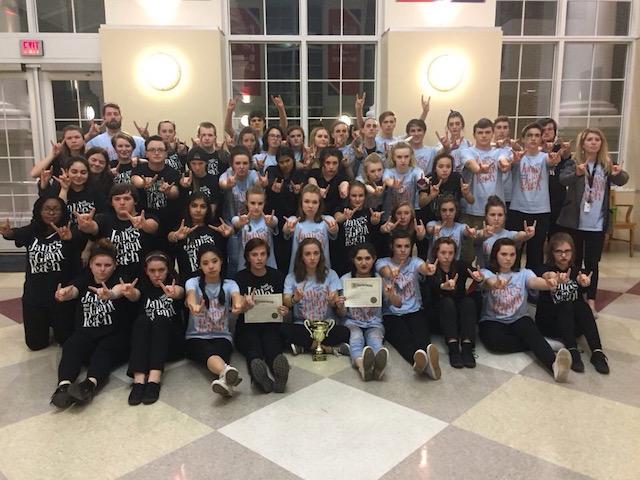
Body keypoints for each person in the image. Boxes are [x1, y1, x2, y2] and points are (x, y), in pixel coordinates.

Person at [50, 239, 140, 408]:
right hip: (86, 332)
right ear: (91, 265)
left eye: (107, 265)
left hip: (113, 334)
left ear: (114, 265)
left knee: (103, 352)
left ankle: (89, 385)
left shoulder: (121, 278)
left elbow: (122, 291)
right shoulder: (84, 278)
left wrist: (111, 294)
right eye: (98, 265)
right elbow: (73, 290)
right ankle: (63, 386)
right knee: (71, 346)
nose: (102, 269)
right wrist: (63, 294)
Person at [472, 238, 573, 382]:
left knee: (529, 330)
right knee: (494, 343)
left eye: (512, 255)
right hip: (492, 320)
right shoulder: (486, 272)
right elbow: (488, 282)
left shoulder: (524, 273)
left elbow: (535, 282)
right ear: (496, 255)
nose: (508, 258)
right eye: (504, 254)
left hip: (519, 318)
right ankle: (542, 343)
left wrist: (550, 283)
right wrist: (495, 283)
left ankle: (554, 365)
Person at [557, 127, 629, 315]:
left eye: (597, 139)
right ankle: (574, 296)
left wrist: (618, 172)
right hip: (575, 222)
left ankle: (591, 300)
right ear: (583, 143)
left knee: (592, 263)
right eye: (590, 139)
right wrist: (578, 174)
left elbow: (622, 180)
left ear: (601, 143)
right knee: (574, 260)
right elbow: (562, 180)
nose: (594, 142)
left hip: (597, 223)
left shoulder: (606, 164)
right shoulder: (574, 162)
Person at [0, 194, 79, 350]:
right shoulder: (33, 230)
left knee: (65, 340)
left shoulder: (70, 231)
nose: (51, 212)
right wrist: (7, 233)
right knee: (36, 344)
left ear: (63, 212)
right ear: (39, 211)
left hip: (61, 296)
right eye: (47, 209)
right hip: (35, 294)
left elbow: (79, 244)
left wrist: (69, 240)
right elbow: (15, 234)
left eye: (56, 209)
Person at [536, 233, 609, 374]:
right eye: (559, 251)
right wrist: (553, 278)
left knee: (582, 305)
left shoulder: (577, 271)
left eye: (567, 251)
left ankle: (597, 352)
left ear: (572, 252)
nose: (563, 255)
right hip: (551, 324)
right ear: (552, 253)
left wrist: (584, 283)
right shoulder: (544, 269)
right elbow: (545, 275)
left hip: (573, 325)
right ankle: (572, 350)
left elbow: (582, 279)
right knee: (567, 303)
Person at [376, 231, 441, 379]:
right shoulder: (382, 262)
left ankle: (426, 361)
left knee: (422, 338)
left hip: (415, 310)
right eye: (399, 246)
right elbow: (383, 270)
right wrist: (390, 273)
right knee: (403, 339)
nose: (403, 250)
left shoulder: (414, 261)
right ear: (392, 247)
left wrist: (428, 269)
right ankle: (421, 363)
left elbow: (422, 267)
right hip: (391, 313)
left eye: (407, 246)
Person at [184, 244, 244, 397]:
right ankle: (226, 372)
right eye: (205, 263)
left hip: (222, 336)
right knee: (208, 352)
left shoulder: (230, 284)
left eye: (214, 261)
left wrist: (240, 305)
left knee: (220, 351)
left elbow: (237, 298)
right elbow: (190, 296)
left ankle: (225, 379)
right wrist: (193, 306)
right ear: (200, 266)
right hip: (195, 337)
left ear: (221, 261)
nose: (210, 266)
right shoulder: (192, 282)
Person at [128, 251, 185, 405]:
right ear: (146, 271)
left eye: (161, 270)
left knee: (160, 320)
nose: (157, 275)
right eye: (152, 271)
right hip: (147, 348)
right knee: (141, 320)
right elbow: (135, 295)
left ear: (168, 270)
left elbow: (180, 292)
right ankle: (139, 380)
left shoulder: (174, 285)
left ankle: (154, 379)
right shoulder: (142, 286)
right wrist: (130, 293)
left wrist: (175, 292)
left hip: (171, 344)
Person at [235, 239, 290, 393]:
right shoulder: (239, 278)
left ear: (267, 255)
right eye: (254, 254)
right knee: (253, 348)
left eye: (262, 254)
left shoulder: (277, 276)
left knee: (272, 344)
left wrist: (285, 310)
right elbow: (236, 307)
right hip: (247, 325)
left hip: (270, 323)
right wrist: (244, 305)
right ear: (247, 257)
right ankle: (260, 377)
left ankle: (279, 372)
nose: (259, 258)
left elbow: (284, 303)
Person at [75, 183, 158, 280]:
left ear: (135, 201)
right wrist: (86, 225)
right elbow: (93, 227)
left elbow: (152, 226)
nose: (122, 202)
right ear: (112, 202)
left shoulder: (147, 217)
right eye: (117, 199)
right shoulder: (104, 219)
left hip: (140, 276)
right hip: (112, 277)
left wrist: (144, 224)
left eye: (127, 199)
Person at [506, 122, 560, 271]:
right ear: (523, 139)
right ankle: (514, 285)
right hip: (518, 209)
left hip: (540, 211)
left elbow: (552, 161)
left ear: (542, 139)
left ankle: (533, 289)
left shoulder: (544, 157)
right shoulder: (517, 157)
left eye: (537, 135)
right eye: (529, 135)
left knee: (535, 252)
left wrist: (554, 158)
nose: (533, 139)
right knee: (514, 251)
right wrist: (514, 160)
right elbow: (509, 164)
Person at [282, 238, 350, 355]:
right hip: (303, 326)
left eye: (316, 253)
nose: (312, 258)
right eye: (307, 254)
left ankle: (305, 347)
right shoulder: (291, 277)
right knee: (282, 330)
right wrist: (295, 299)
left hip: (327, 325)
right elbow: (286, 301)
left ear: (321, 255)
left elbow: (339, 308)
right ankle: (327, 348)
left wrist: (334, 303)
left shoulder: (331, 275)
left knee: (345, 332)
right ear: (301, 257)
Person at [336, 243, 393, 381]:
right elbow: (342, 314)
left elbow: (394, 304)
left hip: (374, 323)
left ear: (373, 259)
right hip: (351, 322)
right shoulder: (345, 279)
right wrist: (341, 305)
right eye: (359, 258)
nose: (363, 262)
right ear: (353, 260)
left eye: (367, 258)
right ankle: (362, 366)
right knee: (356, 338)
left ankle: (379, 365)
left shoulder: (379, 279)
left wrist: (391, 294)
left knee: (374, 339)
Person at [458, 118, 510, 266]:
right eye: (480, 132)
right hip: (472, 210)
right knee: (467, 253)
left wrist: (505, 165)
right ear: (474, 134)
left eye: (487, 132)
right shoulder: (467, 151)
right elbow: (471, 163)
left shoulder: (500, 151)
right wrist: (479, 169)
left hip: (494, 212)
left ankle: (486, 284)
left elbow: (503, 161)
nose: (484, 135)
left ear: (493, 133)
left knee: (492, 252)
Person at [424, 237, 476, 368]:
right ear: (436, 253)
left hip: (458, 317)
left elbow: (475, 272)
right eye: (443, 253)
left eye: (450, 253)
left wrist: (479, 278)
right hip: (438, 317)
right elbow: (432, 286)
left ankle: (467, 346)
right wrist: (442, 286)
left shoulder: (460, 265)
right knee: (447, 302)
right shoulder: (431, 269)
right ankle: (453, 348)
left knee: (468, 302)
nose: (447, 256)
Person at [168, 192, 233, 283]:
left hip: (214, 282)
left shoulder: (215, 229)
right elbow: (170, 237)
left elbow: (223, 256)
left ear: (208, 209)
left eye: (203, 206)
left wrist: (230, 233)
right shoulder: (182, 230)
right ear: (188, 207)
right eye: (194, 206)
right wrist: (175, 236)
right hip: (189, 283)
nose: (198, 210)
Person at [283, 184, 338, 273]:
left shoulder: (327, 220)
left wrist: (334, 229)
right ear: (301, 202)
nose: (310, 206)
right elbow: (285, 229)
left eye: (314, 202)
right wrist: (288, 229)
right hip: (298, 273)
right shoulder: (293, 221)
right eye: (307, 201)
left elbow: (335, 229)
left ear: (320, 204)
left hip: (322, 273)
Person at [332, 180, 383, 276]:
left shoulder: (370, 212)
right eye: (354, 196)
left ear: (365, 196)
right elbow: (337, 218)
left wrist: (375, 221)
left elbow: (375, 229)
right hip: (345, 261)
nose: (357, 199)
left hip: (365, 261)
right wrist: (344, 216)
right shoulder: (341, 209)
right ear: (349, 196)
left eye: (361, 196)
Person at [45, 156, 107, 226]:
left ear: (88, 174)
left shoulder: (96, 190)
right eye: (74, 172)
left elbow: (103, 215)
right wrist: (64, 189)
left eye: (83, 173)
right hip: (65, 231)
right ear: (66, 172)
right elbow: (57, 215)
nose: (78, 175)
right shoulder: (57, 188)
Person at [476, 195, 535, 268]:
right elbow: (477, 237)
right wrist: (484, 235)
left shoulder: (509, 234)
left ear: (505, 217)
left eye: (500, 215)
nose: (496, 218)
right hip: (483, 276)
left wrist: (526, 234)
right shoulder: (480, 233)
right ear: (486, 216)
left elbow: (518, 236)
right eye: (492, 215)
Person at [232, 185, 278, 272]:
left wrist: (271, 223)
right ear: (246, 203)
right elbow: (235, 222)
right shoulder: (241, 220)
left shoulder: (269, 219)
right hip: (245, 270)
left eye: (260, 203)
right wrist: (240, 223)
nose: (256, 207)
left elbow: (274, 221)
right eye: (252, 203)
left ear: (264, 203)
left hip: (268, 269)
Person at [419, 152, 473, 223]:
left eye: (448, 166)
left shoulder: (457, 178)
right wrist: (431, 196)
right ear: (435, 168)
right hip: (431, 221)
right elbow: (421, 204)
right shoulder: (429, 179)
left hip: (453, 222)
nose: (444, 170)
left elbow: (471, 201)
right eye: (441, 166)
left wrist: (467, 194)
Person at [425, 195, 477, 262]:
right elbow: (430, 229)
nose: (448, 213)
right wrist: (434, 230)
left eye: (451, 210)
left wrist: (471, 231)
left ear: (456, 211)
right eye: (444, 210)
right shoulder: (433, 224)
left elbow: (466, 230)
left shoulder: (460, 227)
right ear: (439, 211)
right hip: (434, 266)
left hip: (453, 266)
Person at [383, 141, 427, 214]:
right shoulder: (388, 171)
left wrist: (423, 182)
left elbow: (420, 178)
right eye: (399, 157)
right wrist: (393, 183)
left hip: (409, 214)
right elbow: (386, 179)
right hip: (391, 214)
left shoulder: (416, 171)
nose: (403, 160)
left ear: (410, 157)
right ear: (393, 157)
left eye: (406, 156)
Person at [307, 147, 350, 216]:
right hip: (314, 214)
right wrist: (317, 190)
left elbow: (344, 183)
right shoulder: (314, 173)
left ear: (339, 164)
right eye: (328, 163)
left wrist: (344, 191)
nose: (331, 167)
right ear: (322, 163)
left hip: (334, 215)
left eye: (335, 163)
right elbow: (312, 181)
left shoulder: (342, 177)